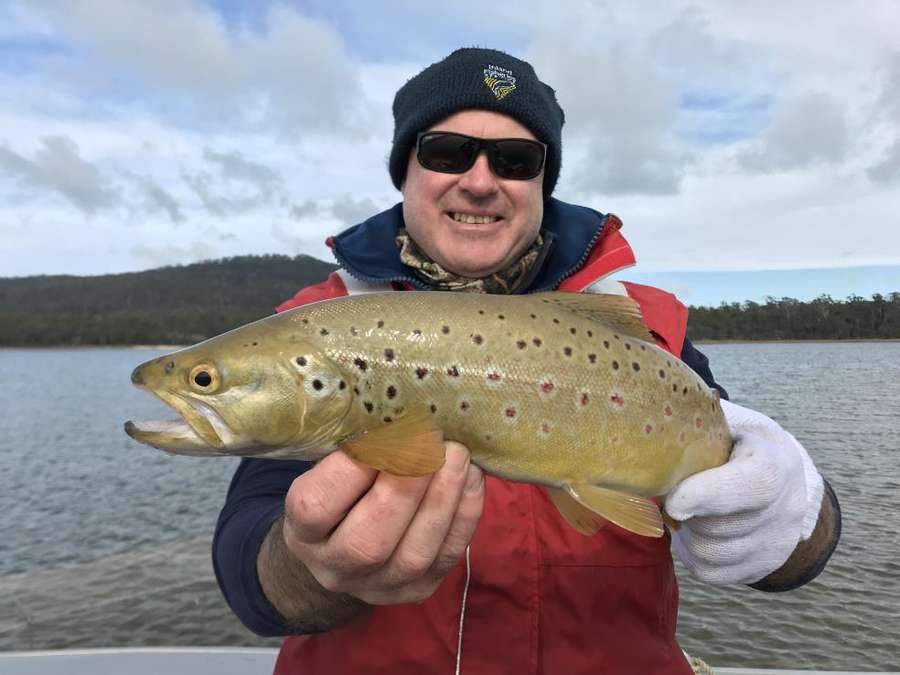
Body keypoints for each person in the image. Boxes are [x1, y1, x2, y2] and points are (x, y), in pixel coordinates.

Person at [213, 48, 841, 674]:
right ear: (405, 169)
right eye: (446, 152)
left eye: (516, 161)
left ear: (543, 182)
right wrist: (316, 565)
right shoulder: (312, 331)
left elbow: (791, 558)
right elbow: (252, 576)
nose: (481, 182)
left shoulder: (651, 334)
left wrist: (790, 512)